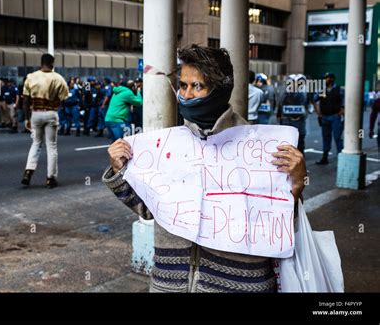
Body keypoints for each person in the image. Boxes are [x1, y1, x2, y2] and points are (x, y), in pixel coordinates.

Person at [102, 44, 307, 293]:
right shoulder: (167, 147)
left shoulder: (261, 150)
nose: (186, 94)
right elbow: (147, 210)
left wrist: (296, 185)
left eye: (197, 86)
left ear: (220, 90)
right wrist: (119, 172)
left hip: (240, 286)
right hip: (169, 285)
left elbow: (278, 220)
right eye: (183, 85)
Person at [21, 54, 68, 188]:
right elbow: (64, 97)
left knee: (36, 143)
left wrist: (26, 118)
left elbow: (25, 100)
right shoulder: (58, 78)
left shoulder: (31, 77)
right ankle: (50, 178)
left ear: (41, 63)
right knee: (51, 146)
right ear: (52, 63)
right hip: (51, 113)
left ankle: (28, 172)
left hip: (36, 113)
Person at [314, 72, 344, 165]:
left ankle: (341, 157)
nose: (324, 80)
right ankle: (325, 157)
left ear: (331, 79)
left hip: (335, 116)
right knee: (326, 137)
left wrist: (342, 111)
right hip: (325, 116)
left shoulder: (339, 89)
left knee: (337, 137)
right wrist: (319, 113)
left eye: (326, 78)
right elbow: (315, 100)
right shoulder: (322, 89)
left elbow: (344, 101)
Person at [277, 74, 310, 155]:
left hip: (299, 120)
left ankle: (299, 157)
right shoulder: (284, 92)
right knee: (287, 139)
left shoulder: (304, 93)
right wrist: (280, 116)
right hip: (286, 120)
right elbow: (280, 105)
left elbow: (306, 106)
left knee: (300, 139)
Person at [369, 90, 380, 154]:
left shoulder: (378, 101)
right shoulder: (378, 101)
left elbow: (373, 116)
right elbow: (373, 116)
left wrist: (371, 129)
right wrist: (371, 129)